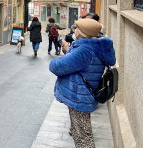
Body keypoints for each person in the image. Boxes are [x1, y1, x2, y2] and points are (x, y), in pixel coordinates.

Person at [50, 19, 116, 147]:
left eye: (76, 29)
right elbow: (80, 64)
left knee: (83, 136)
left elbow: (57, 67)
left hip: (79, 96)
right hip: (84, 94)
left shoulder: (85, 50)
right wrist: (69, 49)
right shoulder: (95, 46)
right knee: (78, 131)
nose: (74, 31)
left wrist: (58, 59)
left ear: (79, 32)